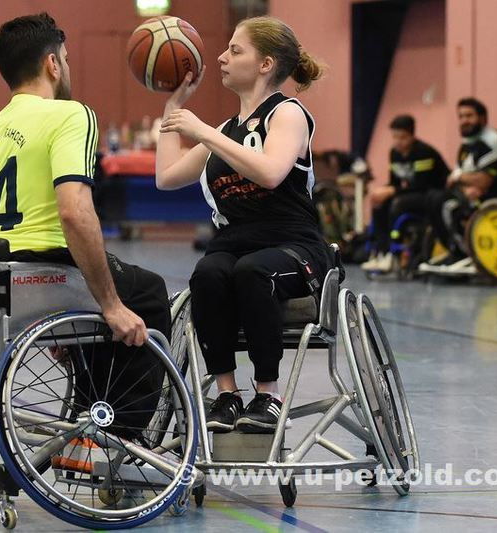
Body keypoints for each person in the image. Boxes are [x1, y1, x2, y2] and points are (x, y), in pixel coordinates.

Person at [0, 13, 171, 452]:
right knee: (146, 293)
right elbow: (74, 213)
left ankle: (86, 417)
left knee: (100, 293)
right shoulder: (69, 115)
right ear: (53, 64)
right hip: (39, 273)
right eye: (67, 59)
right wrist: (110, 305)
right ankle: (120, 442)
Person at [156, 16, 331, 433]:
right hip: (234, 242)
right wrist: (172, 109)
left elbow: (270, 173)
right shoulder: (224, 130)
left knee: (253, 271)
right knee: (208, 273)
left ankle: (268, 394)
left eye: (235, 50)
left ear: (265, 64)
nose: (221, 57)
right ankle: (227, 394)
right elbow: (166, 177)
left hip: (292, 244)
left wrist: (203, 132)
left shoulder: (288, 114)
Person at [419, 97, 497, 275]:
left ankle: (464, 253)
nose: (464, 120)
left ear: (482, 118)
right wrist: (464, 183)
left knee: (446, 205)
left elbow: (483, 181)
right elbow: (457, 181)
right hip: (471, 195)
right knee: (431, 197)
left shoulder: (493, 142)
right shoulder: (467, 145)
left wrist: (461, 178)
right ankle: (452, 250)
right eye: (461, 116)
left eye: (469, 116)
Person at [362, 114, 449, 274]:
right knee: (380, 201)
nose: (398, 142)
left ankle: (394, 252)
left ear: (412, 136)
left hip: (433, 195)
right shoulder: (394, 154)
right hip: (413, 192)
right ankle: (381, 251)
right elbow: (395, 182)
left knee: (398, 203)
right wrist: (382, 192)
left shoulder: (423, 152)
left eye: (403, 138)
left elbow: (421, 185)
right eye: (395, 137)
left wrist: (392, 191)